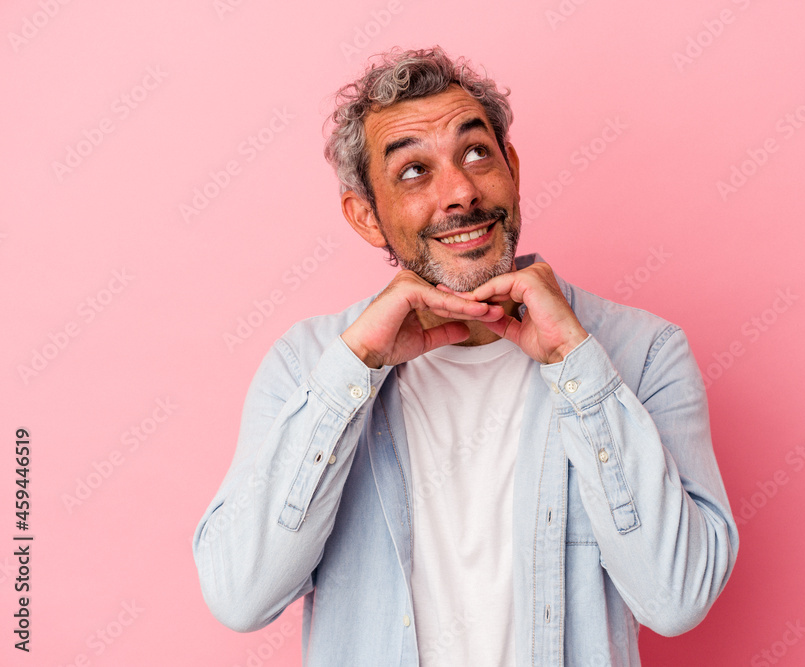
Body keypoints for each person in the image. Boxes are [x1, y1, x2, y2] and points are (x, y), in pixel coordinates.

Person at [193, 46, 739, 666]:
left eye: (476, 153)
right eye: (413, 172)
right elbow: (240, 595)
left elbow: (677, 598)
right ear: (366, 217)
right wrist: (356, 368)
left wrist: (575, 365)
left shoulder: (642, 353)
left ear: (511, 165)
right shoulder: (307, 364)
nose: (459, 193)